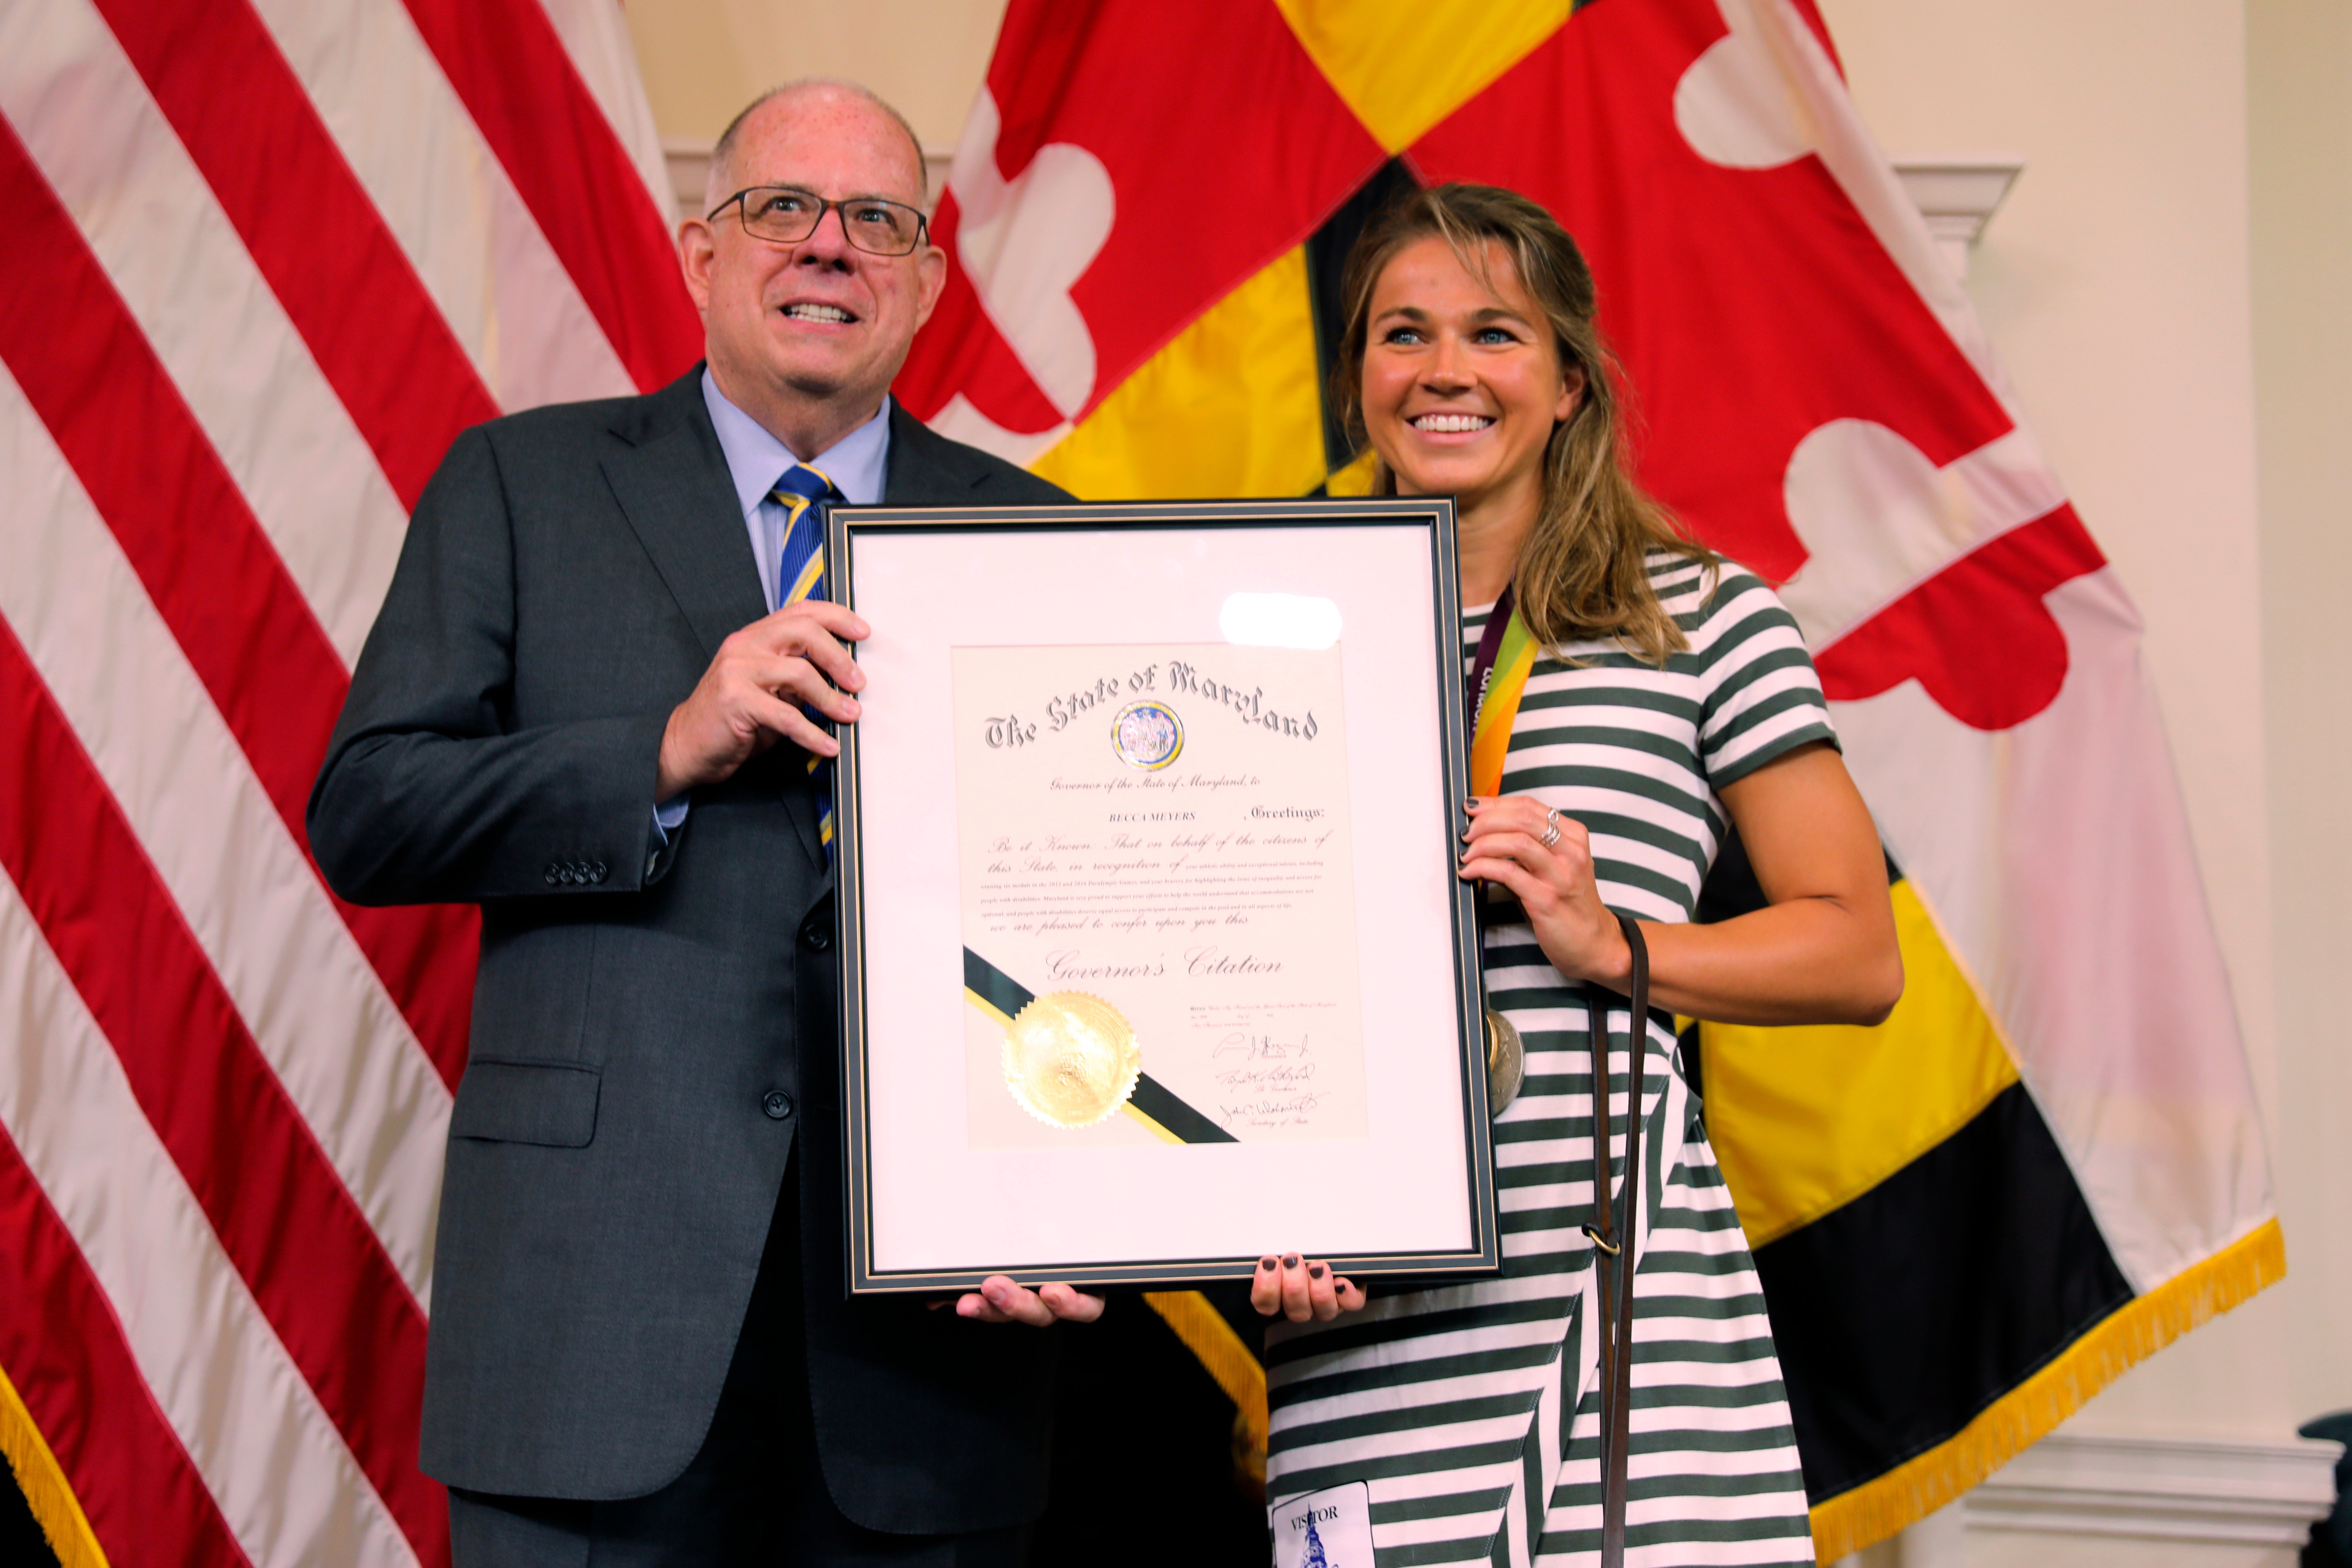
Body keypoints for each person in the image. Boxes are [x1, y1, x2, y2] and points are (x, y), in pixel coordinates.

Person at [309, 80, 1099, 1566]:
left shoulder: (1031, 531)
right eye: (781, 210)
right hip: (592, 1325)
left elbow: (1094, 917)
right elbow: (369, 810)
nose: (828, 249)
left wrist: (1085, 1191)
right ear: (700, 252)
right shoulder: (521, 485)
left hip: (931, 1350)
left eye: (877, 220)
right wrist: (667, 748)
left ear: (927, 279)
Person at [1250, 184, 1903, 1563]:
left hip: (1620, 1291)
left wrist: (1619, 947)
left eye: (1494, 333)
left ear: (1567, 386)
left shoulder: (1706, 617)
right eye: (1401, 334)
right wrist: (1246, 1208)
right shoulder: (1259, 638)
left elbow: (1857, 953)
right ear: (1356, 379)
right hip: (1363, 1311)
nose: (1443, 371)